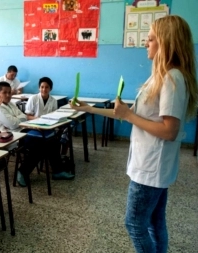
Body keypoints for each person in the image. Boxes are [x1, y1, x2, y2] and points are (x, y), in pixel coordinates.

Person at [71, 15, 197, 253]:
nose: (145, 44)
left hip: (150, 168)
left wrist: (129, 116)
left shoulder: (171, 78)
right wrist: (87, 108)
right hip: (153, 166)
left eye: (150, 39)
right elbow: (127, 114)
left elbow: (170, 131)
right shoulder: (164, 76)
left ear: (166, 43)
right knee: (154, 222)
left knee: (134, 224)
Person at [0, 81, 74, 186]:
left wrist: (19, 119)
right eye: (5, 93)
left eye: (9, 92)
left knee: (53, 139)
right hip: (11, 137)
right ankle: (22, 172)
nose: (8, 95)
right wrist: (19, 119)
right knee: (40, 144)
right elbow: (13, 124)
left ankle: (57, 171)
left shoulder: (11, 104)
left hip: (22, 130)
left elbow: (23, 117)